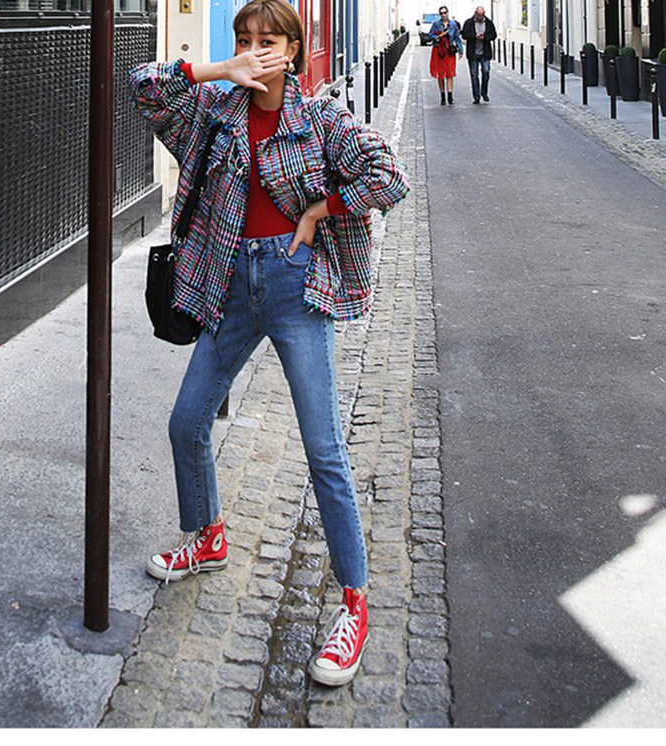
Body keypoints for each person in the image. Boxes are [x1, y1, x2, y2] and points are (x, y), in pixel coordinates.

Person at [128, 0, 409, 687]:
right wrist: (218, 68)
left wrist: (319, 212)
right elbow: (145, 88)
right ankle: (208, 535)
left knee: (324, 449)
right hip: (230, 286)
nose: (256, 50)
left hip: (293, 284)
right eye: (245, 39)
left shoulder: (319, 120)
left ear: (293, 49)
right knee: (186, 422)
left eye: (269, 40)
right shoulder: (215, 111)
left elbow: (388, 177)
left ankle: (354, 603)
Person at [461, 6, 497, 103]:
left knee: (486, 72)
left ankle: (484, 93)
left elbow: (493, 35)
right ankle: (476, 97)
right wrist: (474, 36)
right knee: (474, 75)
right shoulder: (469, 22)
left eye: (482, 15)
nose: (480, 17)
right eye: (478, 15)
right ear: (475, 13)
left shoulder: (488, 23)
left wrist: (484, 37)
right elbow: (464, 34)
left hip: (485, 53)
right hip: (473, 53)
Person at [429, 6, 464, 105]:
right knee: (440, 73)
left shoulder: (453, 24)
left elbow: (457, 37)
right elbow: (430, 35)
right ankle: (442, 96)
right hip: (439, 51)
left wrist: (460, 50)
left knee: (450, 73)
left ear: (447, 13)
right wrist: (438, 36)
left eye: (445, 13)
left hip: (449, 50)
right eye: (441, 13)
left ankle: (450, 95)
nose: (443, 15)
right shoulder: (436, 24)